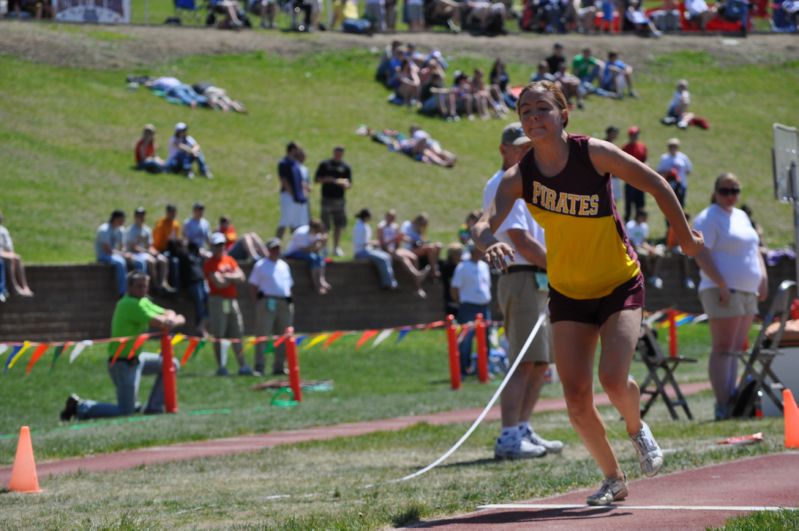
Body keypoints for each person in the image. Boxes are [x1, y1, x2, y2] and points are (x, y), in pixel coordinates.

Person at [475, 81, 703, 506]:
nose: (533, 117)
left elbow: (657, 184)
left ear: (564, 114)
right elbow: (482, 224)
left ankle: (636, 429)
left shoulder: (592, 153)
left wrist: (686, 238)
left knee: (613, 379)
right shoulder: (519, 176)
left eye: (542, 108)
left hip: (618, 282)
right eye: (525, 110)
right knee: (576, 399)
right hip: (568, 291)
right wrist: (489, 241)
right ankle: (613, 479)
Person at [481, 122, 563, 459]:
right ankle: (508, 435)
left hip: (537, 276)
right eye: (520, 146)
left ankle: (522, 427)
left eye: (530, 146)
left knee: (538, 360)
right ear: (504, 149)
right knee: (522, 361)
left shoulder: (527, 184)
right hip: (522, 274)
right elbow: (520, 240)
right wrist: (559, 268)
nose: (527, 152)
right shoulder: (503, 185)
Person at [59, 272, 185, 421]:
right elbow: (163, 323)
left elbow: (173, 315)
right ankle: (79, 406)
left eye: (145, 286)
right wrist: (170, 320)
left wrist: (171, 319)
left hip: (136, 359)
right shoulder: (129, 304)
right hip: (122, 363)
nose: (143, 289)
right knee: (125, 411)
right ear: (129, 287)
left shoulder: (143, 301)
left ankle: (154, 408)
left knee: (171, 364)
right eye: (139, 286)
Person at [693, 174, 768, 420]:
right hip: (722, 290)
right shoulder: (709, 217)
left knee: (736, 349)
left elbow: (754, 249)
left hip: (746, 290)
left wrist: (763, 278)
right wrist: (722, 283)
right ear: (715, 192)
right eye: (725, 190)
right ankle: (723, 404)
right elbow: (700, 253)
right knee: (723, 348)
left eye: (735, 190)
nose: (731, 195)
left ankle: (733, 399)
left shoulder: (741, 216)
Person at [205, 232, 255, 376]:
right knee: (219, 334)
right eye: (217, 245)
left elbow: (241, 277)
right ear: (212, 247)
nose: (220, 248)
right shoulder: (209, 263)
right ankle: (221, 366)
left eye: (222, 245)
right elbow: (218, 283)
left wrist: (226, 276)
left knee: (237, 332)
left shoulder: (230, 260)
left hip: (232, 300)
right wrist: (232, 277)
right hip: (217, 301)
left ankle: (243, 365)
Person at [249, 238, 294, 376]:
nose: (276, 251)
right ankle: (259, 366)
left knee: (283, 336)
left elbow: (289, 285)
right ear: (268, 250)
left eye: (278, 248)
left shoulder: (284, 265)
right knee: (263, 334)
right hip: (267, 301)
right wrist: (257, 302)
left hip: (284, 303)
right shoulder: (260, 265)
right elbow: (253, 285)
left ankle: (280, 366)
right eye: (273, 248)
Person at [450, 245, 491, 376]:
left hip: (483, 307)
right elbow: (454, 288)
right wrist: (460, 302)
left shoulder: (484, 266)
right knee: (465, 339)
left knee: (486, 338)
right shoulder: (462, 267)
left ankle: (483, 368)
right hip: (468, 307)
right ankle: (464, 368)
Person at [377, 209, 431, 297]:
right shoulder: (381, 227)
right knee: (403, 258)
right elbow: (382, 244)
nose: (392, 219)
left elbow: (400, 240)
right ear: (386, 217)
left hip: (395, 249)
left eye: (393, 218)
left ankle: (418, 288)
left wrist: (411, 240)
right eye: (390, 217)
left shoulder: (395, 226)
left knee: (414, 257)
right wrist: (394, 240)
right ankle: (417, 275)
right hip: (386, 249)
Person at [315, 146, 352, 257]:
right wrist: (332, 180)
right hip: (326, 198)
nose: (337, 156)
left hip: (339, 200)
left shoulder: (345, 167)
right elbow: (317, 179)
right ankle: (324, 247)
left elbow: (349, 184)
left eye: (340, 154)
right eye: (336, 153)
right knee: (325, 225)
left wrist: (345, 184)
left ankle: (336, 247)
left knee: (338, 225)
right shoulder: (325, 164)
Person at [125, 207, 172, 294]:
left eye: (143, 215)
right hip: (135, 253)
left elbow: (149, 245)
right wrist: (147, 251)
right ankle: (154, 285)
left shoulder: (147, 229)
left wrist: (155, 252)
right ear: (135, 217)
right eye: (139, 215)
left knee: (163, 259)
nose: (142, 217)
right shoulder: (131, 230)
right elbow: (133, 246)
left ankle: (163, 284)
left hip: (145, 253)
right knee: (151, 261)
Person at [353, 208, 399, 290]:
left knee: (386, 256)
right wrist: (375, 243)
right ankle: (388, 283)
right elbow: (362, 243)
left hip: (367, 250)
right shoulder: (360, 227)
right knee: (383, 259)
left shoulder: (364, 225)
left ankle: (390, 281)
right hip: (361, 252)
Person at [285, 220, 332, 295]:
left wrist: (323, 243)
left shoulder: (316, 234)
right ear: (312, 228)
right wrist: (316, 241)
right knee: (313, 258)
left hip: (306, 252)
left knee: (320, 258)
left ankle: (321, 280)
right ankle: (316, 285)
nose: (318, 233)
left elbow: (315, 250)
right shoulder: (301, 233)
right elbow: (306, 250)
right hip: (293, 253)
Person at [276, 142, 308, 240]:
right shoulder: (284, 163)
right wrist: (293, 194)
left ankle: (295, 245)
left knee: (296, 222)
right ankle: (276, 243)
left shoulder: (295, 164)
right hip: (288, 195)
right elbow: (284, 180)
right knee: (285, 221)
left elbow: (301, 180)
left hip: (297, 196)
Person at [626, 209, 665, 289]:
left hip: (642, 247)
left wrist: (650, 249)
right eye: (645, 217)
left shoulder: (644, 226)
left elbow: (643, 241)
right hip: (633, 248)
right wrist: (645, 249)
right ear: (640, 217)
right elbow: (631, 242)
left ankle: (654, 276)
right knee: (645, 255)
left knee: (659, 254)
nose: (646, 219)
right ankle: (651, 275)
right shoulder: (630, 225)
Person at [96, 209, 130, 297]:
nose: (123, 221)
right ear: (115, 219)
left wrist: (125, 253)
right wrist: (123, 254)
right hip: (103, 255)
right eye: (122, 219)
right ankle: (122, 291)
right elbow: (107, 249)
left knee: (136, 261)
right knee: (120, 262)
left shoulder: (121, 230)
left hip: (115, 254)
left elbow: (122, 246)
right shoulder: (104, 229)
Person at [0, 210, 33, 298]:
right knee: (11, 259)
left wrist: (10, 253)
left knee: (17, 258)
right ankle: (15, 287)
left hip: (3, 253)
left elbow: (9, 247)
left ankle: (25, 286)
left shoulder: (3, 231)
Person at [401, 213, 442, 279]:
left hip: (418, 247)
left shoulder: (420, 229)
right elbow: (402, 236)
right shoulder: (407, 225)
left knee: (438, 245)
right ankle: (434, 272)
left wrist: (423, 242)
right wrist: (413, 241)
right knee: (430, 248)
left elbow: (421, 241)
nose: (422, 225)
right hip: (409, 248)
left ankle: (434, 266)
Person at [656, 137, 692, 207]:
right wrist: (668, 173)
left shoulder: (683, 157)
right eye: (671, 146)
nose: (673, 148)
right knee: (668, 205)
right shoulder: (664, 158)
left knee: (680, 204)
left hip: (681, 185)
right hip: (668, 185)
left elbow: (688, 170)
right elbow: (658, 171)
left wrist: (678, 175)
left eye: (674, 146)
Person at [621, 126, 648, 222]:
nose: (634, 137)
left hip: (640, 179)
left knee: (640, 204)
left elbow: (645, 160)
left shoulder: (642, 147)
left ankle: (640, 224)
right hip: (629, 179)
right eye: (633, 135)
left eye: (636, 134)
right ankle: (627, 224)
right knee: (629, 203)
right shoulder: (625, 148)